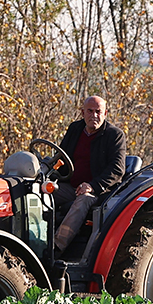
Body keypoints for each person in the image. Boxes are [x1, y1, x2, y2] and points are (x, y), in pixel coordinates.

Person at [54, 95, 126, 253]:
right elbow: (61, 157)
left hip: (98, 191)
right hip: (70, 185)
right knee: (38, 191)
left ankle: (56, 247)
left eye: (98, 112)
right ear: (82, 113)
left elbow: (117, 169)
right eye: (90, 111)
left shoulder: (114, 135)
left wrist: (92, 186)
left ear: (105, 113)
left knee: (82, 201)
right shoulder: (75, 129)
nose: (94, 115)